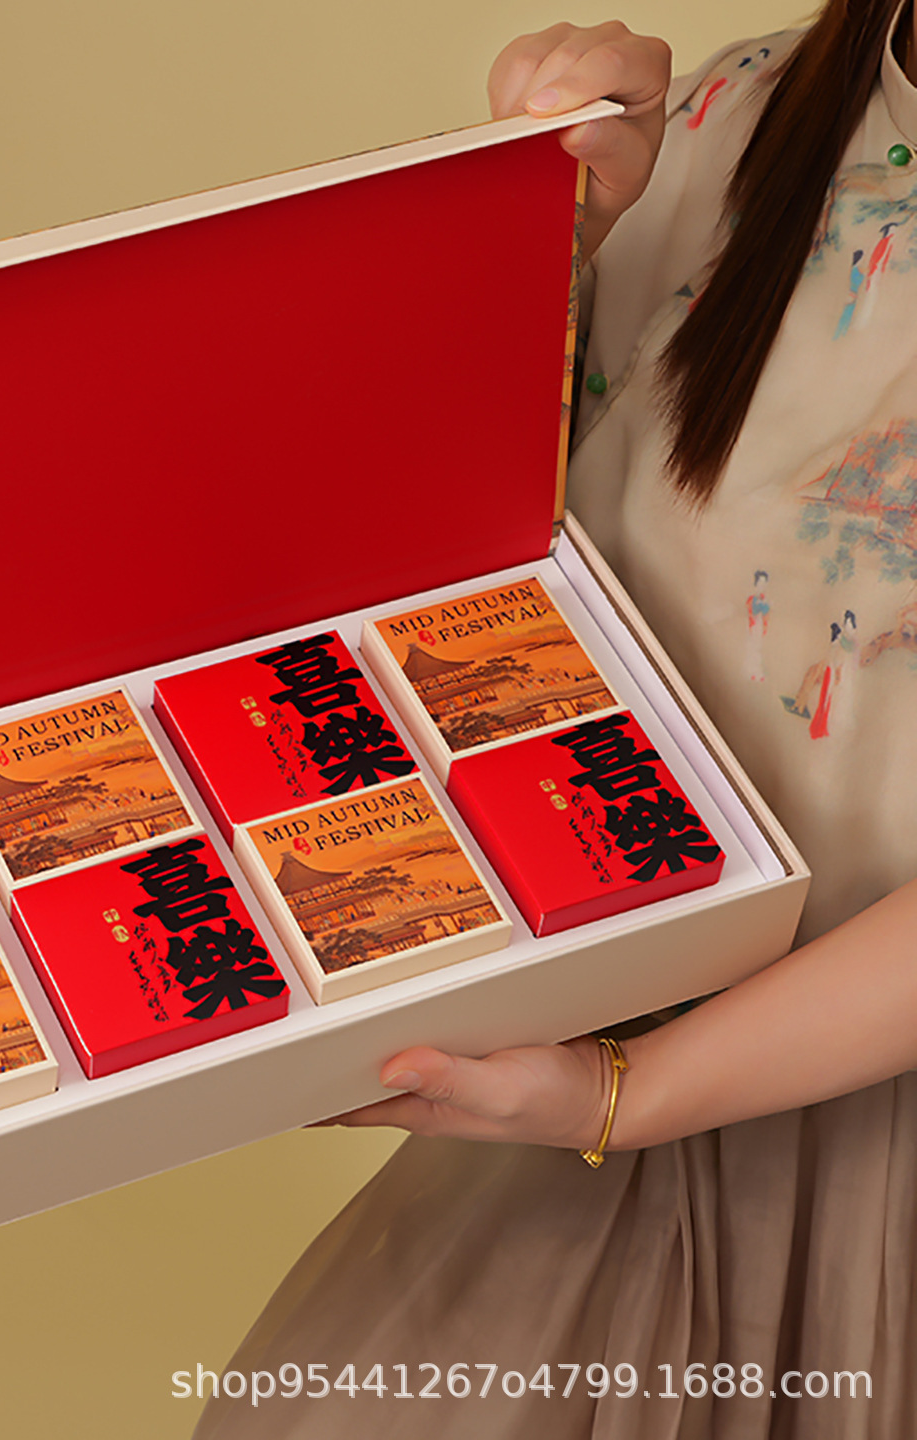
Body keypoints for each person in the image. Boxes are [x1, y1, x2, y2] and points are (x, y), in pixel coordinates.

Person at [195, 4, 917, 1436]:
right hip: (595, 1099)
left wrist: (620, 1096)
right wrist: (533, 235)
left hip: (810, 1139)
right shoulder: (736, 124)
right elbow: (455, 590)